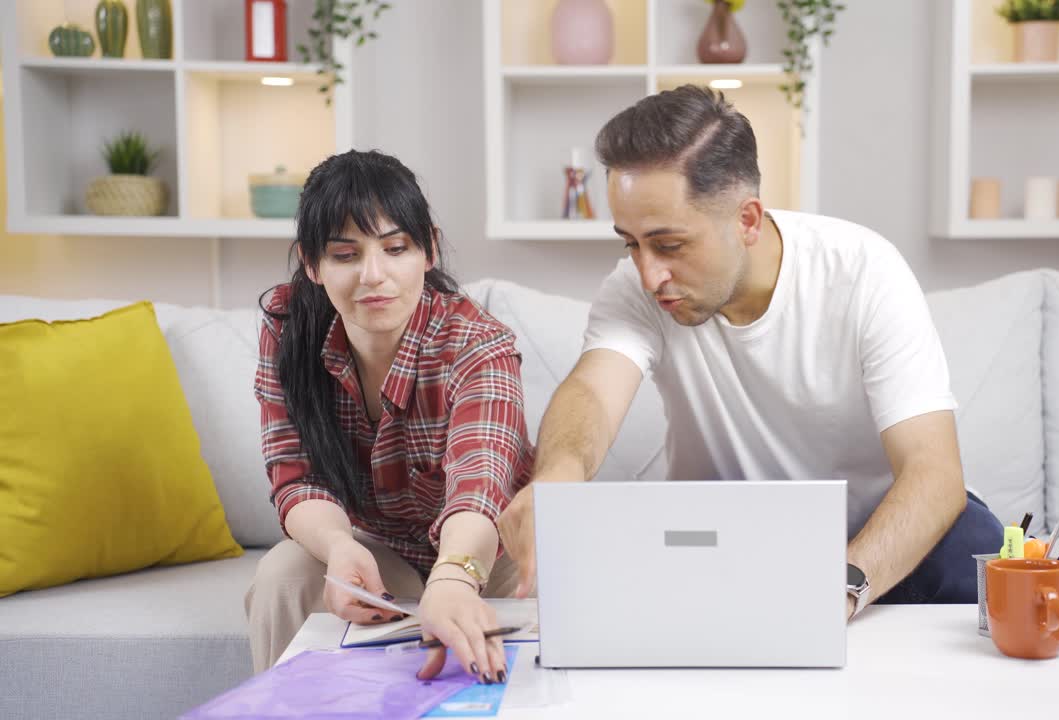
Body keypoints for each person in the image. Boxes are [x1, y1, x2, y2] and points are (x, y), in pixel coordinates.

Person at [496, 86, 1003, 621]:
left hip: (877, 535)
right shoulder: (635, 288)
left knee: (976, 541)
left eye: (669, 245)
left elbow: (934, 473)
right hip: (728, 534)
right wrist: (554, 479)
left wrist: (839, 586)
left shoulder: (863, 270)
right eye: (630, 243)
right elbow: (592, 393)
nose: (649, 274)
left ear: (748, 220)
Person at [245, 150, 533, 683]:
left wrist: (454, 576)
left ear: (429, 250)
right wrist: (338, 547)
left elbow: (480, 483)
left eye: (395, 248)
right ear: (312, 265)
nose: (373, 276)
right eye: (345, 255)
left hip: (491, 554)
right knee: (283, 573)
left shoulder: (477, 344)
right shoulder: (287, 328)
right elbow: (294, 474)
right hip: (384, 554)